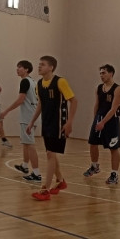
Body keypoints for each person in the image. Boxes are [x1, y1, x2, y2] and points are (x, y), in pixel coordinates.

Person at [27, 55, 77, 201]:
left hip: (59, 123)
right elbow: (40, 104)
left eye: (42, 64)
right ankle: (60, 181)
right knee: (51, 153)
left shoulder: (60, 81)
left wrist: (69, 122)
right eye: (39, 64)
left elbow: (74, 101)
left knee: (50, 154)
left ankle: (45, 190)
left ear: (51, 67)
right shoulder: (39, 84)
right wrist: (31, 122)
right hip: (47, 123)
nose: (39, 66)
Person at [0, 60, 42, 182]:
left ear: (27, 69)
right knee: (26, 143)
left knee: (30, 145)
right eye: (17, 67)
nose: (17, 69)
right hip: (33, 115)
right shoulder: (33, 82)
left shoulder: (24, 81)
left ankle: (37, 174)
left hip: (28, 117)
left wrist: (6, 111)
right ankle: (24, 166)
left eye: (20, 67)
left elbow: (20, 100)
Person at [84, 64, 120, 184]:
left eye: (104, 73)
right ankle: (94, 166)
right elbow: (96, 104)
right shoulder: (99, 88)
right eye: (100, 73)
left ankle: (114, 174)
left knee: (113, 148)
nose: (101, 75)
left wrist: (103, 122)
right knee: (92, 143)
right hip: (99, 118)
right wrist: (95, 119)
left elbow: (113, 109)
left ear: (111, 74)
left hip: (111, 121)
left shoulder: (118, 89)